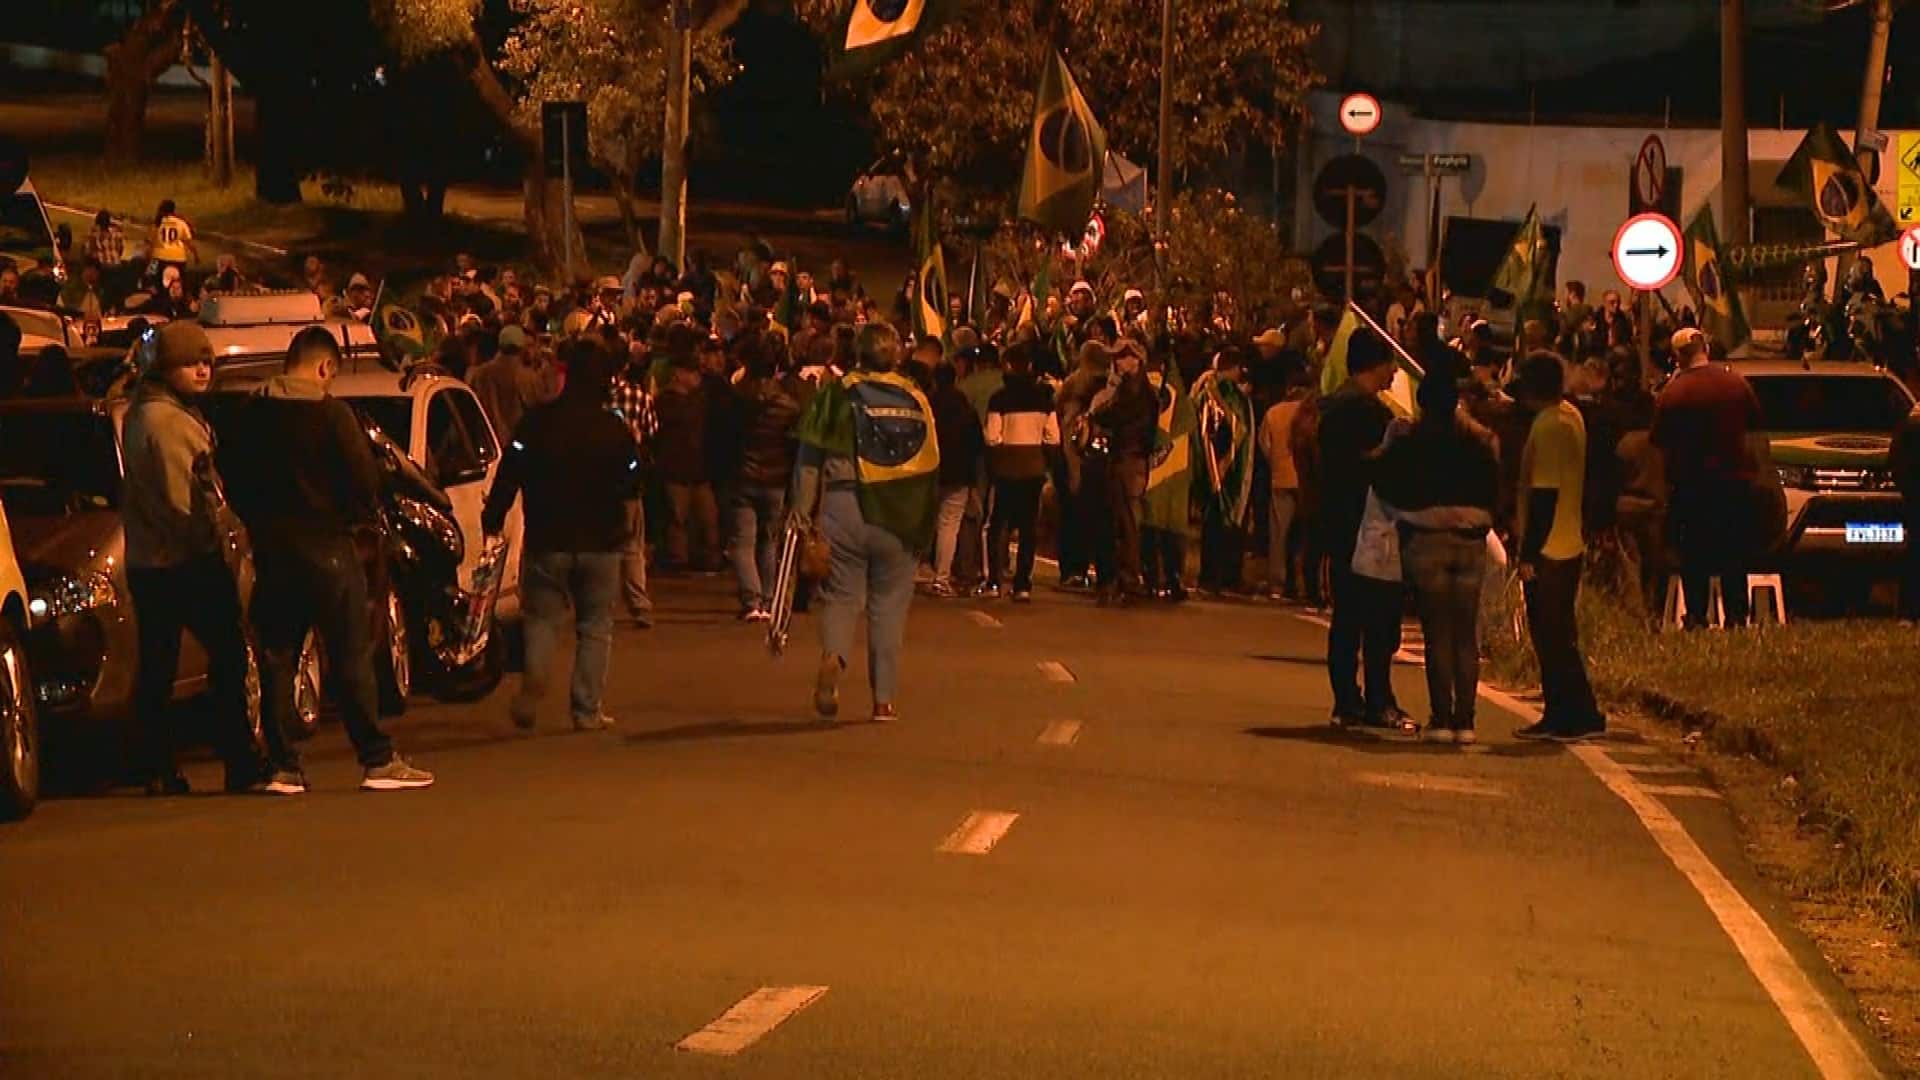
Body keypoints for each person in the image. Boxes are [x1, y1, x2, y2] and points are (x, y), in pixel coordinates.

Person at [217, 327, 433, 791]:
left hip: (273, 549)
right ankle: (376, 758)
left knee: (278, 655)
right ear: (322, 367)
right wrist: (357, 518)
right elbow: (363, 481)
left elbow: (230, 476)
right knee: (351, 651)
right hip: (328, 547)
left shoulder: (250, 414)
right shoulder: (332, 415)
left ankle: (283, 765)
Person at [120, 322, 266, 795]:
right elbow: (182, 497)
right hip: (183, 558)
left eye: (206, 360)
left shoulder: (152, 412)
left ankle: (154, 765)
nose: (203, 369)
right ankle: (238, 758)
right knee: (227, 655)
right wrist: (208, 538)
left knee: (160, 665)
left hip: (152, 560)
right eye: (190, 362)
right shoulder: (167, 422)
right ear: (167, 368)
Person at [483, 338, 639, 731]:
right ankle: (586, 710)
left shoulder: (535, 423)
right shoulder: (614, 428)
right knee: (595, 627)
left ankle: (535, 677)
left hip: (547, 538)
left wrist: (493, 515)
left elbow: (510, 469)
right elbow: (633, 478)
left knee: (542, 619)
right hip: (602, 541)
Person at [790, 324, 939, 723]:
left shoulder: (836, 395)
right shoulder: (916, 398)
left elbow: (808, 459)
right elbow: (931, 465)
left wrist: (802, 515)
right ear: (895, 356)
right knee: (889, 607)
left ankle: (834, 658)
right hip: (899, 511)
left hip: (845, 504)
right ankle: (883, 700)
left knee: (842, 597)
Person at [1375, 376, 1500, 745]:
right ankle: (1467, 719)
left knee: (1437, 633)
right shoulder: (1479, 441)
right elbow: (1497, 486)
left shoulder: (1412, 440)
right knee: (1465, 633)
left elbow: (1385, 480)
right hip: (1470, 537)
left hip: (1427, 537)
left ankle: (1441, 717)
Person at [1507, 351, 1607, 741]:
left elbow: (1544, 493)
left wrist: (1528, 553)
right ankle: (1581, 712)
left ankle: (1563, 715)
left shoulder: (1548, 426)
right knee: (1562, 635)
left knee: (1550, 637)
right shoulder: (1572, 416)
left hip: (1549, 548)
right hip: (1569, 539)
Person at [1317, 329, 1407, 731]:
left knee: (1346, 619)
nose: (1394, 374)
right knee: (1377, 620)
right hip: (1369, 528)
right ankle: (1377, 700)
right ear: (1376, 365)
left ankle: (1346, 701)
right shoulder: (1368, 412)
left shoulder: (1332, 405)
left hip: (1337, 523)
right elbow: (1375, 468)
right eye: (1391, 364)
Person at [1650, 327, 1763, 629]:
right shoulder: (1736, 383)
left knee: (1694, 554)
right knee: (1733, 552)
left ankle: (1697, 616)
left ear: (1677, 357)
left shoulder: (1673, 392)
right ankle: (1737, 616)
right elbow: (1755, 424)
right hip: (1734, 482)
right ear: (1706, 348)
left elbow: (1658, 439)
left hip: (1691, 485)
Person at [729, 337, 802, 620]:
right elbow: (792, 444)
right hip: (776, 478)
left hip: (743, 475)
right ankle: (769, 597)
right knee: (768, 541)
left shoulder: (737, 398)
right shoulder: (788, 405)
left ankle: (752, 599)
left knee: (742, 540)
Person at [983, 343, 1060, 601]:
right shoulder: (1043, 399)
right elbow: (1053, 437)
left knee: (998, 523)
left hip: (1006, 468)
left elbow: (992, 437)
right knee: (1028, 526)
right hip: (1034, 469)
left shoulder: (999, 398)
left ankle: (994, 580)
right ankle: (1022, 584)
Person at [1087, 338, 1157, 605]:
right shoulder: (1131, 388)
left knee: (1126, 521)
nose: (1118, 362)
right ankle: (1124, 577)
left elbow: (1113, 415)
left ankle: (1128, 577)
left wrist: (1100, 416)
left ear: (1136, 360)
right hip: (1125, 458)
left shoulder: (1135, 390)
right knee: (1121, 519)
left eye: (1123, 357)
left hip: (1129, 459)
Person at [1193, 348, 1256, 595]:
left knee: (1212, 526)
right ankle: (1226, 577)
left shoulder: (1203, 390)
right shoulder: (1227, 394)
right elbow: (1237, 430)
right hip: (1227, 471)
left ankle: (1210, 576)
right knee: (1227, 524)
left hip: (1209, 468)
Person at [654, 337, 719, 571]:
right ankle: (678, 561)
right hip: (676, 468)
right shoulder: (665, 401)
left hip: (699, 468)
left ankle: (707, 558)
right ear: (679, 373)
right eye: (692, 372)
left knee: (708, 518)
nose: (697, 377)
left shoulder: (700, 398)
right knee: (678, 518)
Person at [611, 343, 659, 628]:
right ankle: (639, 605)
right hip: (631, 479)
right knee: (632, 545)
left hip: (600, 479)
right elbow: (653, 432)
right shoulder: (640, 397)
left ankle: (598, 604)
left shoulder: (599, 398)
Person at [928, 362, 982, 597]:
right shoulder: (965, 406)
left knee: (924, 522)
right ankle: (941, 577)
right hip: (959, 474)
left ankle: (916, 571)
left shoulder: (926, 403)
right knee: (949, 525)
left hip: (928, 471)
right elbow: (976, 442)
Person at [1260, 378, 1308, 600]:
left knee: (1279, 533)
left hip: (1280, 478)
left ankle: (1277, 583)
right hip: (1307, 481)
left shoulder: (1273, 412)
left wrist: (1276, 463)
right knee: (1304, 536)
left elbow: (1265, 445)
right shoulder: (1311, 412)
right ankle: (1301, 583)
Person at [468, 324, 555, 441]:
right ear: (521, 347)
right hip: (517, 444)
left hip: (486, 445)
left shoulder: (479, 374)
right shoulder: (528, 377)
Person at [1894, 400, 1920, 623]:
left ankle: (1908, 611)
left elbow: (1898, 464)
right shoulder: (1913, 425)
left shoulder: (1909, 423)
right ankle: (1909, 610)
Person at [149, 199, 197, 279]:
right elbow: (189, 243)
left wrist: (150, 262)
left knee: (151, 276)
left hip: (159, 259)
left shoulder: (157, 223)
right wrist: (196, 256)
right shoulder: (181, 223)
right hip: (179, 259)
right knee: (179, 280)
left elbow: (151, 243)